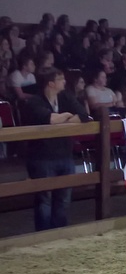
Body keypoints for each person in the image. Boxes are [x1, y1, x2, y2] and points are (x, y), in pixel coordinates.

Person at [22, 67, 91, 231]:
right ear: (51, 84)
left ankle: (60, 231)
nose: (64, 82)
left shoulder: (66, 96)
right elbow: (48, 118)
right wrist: (67, 115)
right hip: (42, 156)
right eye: (60, 79)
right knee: (44, 199)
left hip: (65, 153)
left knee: (64, 198)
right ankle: (44, 233)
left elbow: (83, 115)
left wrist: (63, 118)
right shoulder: (34, 101)